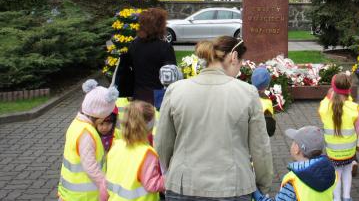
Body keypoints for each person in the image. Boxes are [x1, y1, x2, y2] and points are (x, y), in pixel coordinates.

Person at [155, 36, 273, 200]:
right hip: (233, 187)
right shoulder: (248, 93)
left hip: (183, 184)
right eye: (240, 63)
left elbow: (162, 143)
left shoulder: (175, 90)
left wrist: (170, 172)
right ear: (233, 57)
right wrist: (262, 184)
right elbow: (260, 147)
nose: (238, 70)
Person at [58, 79, 118, 201]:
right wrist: (103, 184)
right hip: (83, 195)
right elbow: (90, 165)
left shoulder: (76, 123)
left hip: (71, 192)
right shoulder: (86, 134)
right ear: (100, 114)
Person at [252, 126, 336, 201]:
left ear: (296, 149)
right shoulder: (330, 171)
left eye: (293, 141)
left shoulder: (293, 180)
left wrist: (257, 195)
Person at [116, 8, 176, 105]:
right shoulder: (165, 47)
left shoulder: (134, 44)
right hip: (158, 97)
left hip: (138, 95)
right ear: (160, 25)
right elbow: (172, 78)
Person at [106, 101, 165, 200]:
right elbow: (152, 185)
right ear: (148, 125)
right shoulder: (147, 153)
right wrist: (169, 179)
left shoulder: (116, 145)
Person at [318, 73, 358, 201]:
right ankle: (347, 197)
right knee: (347, 172)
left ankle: (336, 198)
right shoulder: (353, 107)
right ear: (349, 89)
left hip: (333, 152)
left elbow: (323, 106)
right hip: (349, 150)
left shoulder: (325, 107)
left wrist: (329, 95)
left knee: (336, 175)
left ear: (333, 88)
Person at [251, 66, 276, 136]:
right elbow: (269, 129)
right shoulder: (267, 103)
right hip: (258, 138)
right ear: (267, 85)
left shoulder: (245, 95)